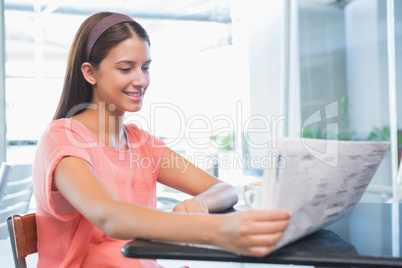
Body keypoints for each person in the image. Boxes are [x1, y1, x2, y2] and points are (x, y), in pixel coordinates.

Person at [33, 11, 291, 267]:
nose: (141, 80)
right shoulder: (64, 137)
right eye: (126, 68)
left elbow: (225, 190)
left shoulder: (140, 142)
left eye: (146, 68)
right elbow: (110, 217)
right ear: (90, 73)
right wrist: (217, 229)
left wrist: (198, 204)